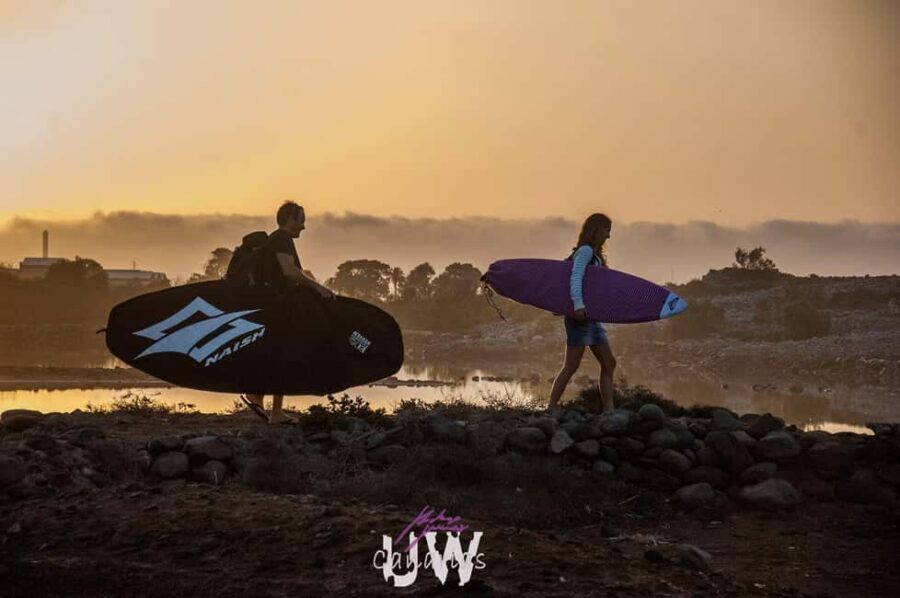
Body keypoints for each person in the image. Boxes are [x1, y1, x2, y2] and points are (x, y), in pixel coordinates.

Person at [242, 201, 334, 424]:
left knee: (280, 356)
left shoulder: (276, 240)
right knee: (279, 356)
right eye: (301, 221)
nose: (303, 227)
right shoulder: (281, 239)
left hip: (277, 306)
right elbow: (289, 271)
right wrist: (319, 287)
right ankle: (258, 397)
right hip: (277, 307)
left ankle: (275, 412)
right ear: (290, 219)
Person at [547, 213, 617, 413]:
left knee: (609, 362)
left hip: (591, 318)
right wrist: (577, 305)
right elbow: (575, 277)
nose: (608, 236)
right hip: (579, 317)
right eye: (606, 231)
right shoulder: (585, 251)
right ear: (595, 230)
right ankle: (551, 407)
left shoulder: (594, 255)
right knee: (571, 365)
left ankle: (609, 411)